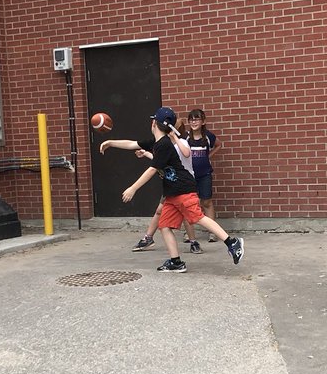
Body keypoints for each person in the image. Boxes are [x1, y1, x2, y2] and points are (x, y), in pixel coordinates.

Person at [121, 107, 243, 273]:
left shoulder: (166, 144)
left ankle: (232, 242)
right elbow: (132, 144)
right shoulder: (158, 144)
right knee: (164, 225)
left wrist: (133, 188)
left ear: (154, 123)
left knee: (197, 217)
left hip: (183, 188)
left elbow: (153, 168)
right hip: (172, 193)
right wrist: (110, 142)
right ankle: (176, 262)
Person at [100, 121, 202, 252]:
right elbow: (157, 159)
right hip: (171, 184)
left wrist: (133, 188)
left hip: (183, 184)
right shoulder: (162, 144)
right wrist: (145, 153)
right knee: (161, 213)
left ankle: (194, 242)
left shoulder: (179, 143)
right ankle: (150, 239)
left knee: (187, 215)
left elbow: (185, 154)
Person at [185, 107, 220, 242]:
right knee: (189, 203)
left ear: (203, 122)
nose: (194, 122)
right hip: (189, 175)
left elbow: (218, 145)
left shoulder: (208, 136)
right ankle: (189, 233)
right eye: (191, 120)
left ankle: (212, 232)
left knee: (206, 201)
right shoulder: (186, 137)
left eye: (197, 119)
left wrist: (208, 156)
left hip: (204, 174)